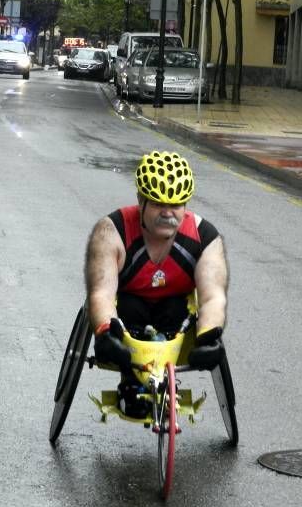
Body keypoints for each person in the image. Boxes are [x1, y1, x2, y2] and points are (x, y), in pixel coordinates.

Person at [85, 151, 229, 417]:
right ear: (141, 200)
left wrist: (210, 335)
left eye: (176, 205)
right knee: (127, 307)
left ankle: (166, 379)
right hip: (128, 308)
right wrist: (104, 330)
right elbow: (101, 292)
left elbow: (212, 297)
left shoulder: (205, 238)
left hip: (174, 312)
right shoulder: (111, 231)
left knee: (178, 310)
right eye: (157, 204)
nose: (167, 213)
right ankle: (130, 383)